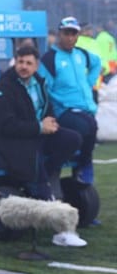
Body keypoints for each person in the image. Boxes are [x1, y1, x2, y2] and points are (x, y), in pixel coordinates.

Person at [0, 45, 87, 247]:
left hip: (36, 134)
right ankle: (60, 230)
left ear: (36, 65)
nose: (23, 67)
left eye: (28, 63)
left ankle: (46, 174)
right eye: (20, 62)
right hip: (14, 140)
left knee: (73, 138)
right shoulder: (3, 88)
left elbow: (46, 108)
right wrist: (40, 127)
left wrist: (50, 122)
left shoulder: (39, 83)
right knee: (34, 161)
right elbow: (5, 125)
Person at [39, 16, 101, 186]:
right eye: (67, 33)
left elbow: (97, 63)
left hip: (85, 108)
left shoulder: (81, 54)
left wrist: (89, 84)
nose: (71, 38)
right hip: (64, 110)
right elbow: (44, 88)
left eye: (74, 34)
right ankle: (83, 166)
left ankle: (70, 171)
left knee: (85, 131)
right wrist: (54, 104)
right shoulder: (50, 59)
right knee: (89, 127)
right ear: (60, 33)